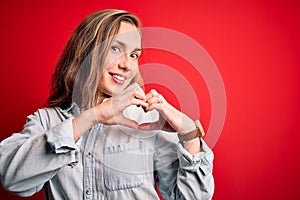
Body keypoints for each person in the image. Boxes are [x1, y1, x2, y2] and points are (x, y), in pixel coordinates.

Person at [0, 9, 214, 200]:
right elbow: (12, 179)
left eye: (134, 55)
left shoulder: (148, 121)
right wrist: (91, 117)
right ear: (86, 52)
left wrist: (190, 135)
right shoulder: (46, 121)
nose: (126, 64)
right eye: (115, 48)